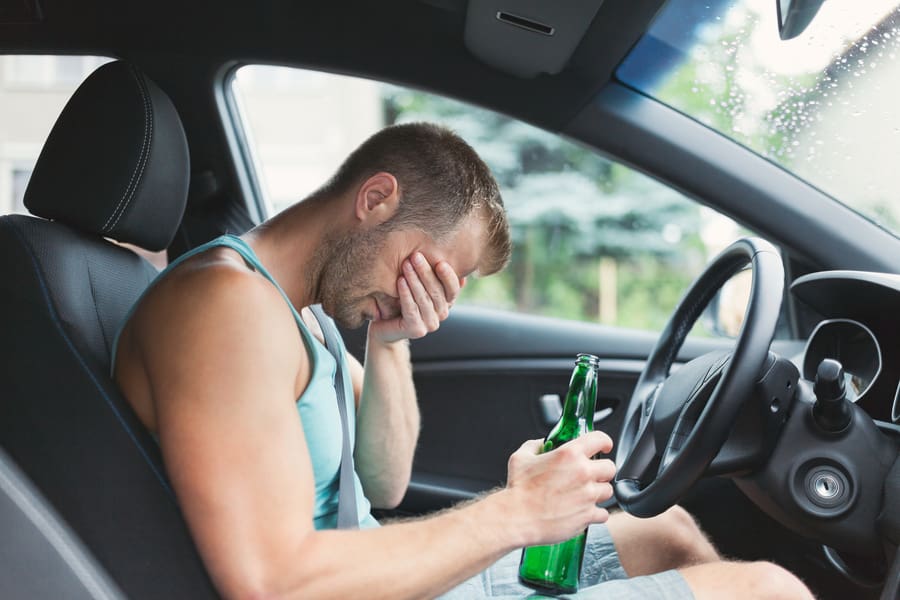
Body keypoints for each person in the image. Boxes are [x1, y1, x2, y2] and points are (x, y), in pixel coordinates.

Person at [112, 122, 813, 599]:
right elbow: (273, 581)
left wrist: (389, 342)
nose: (430, 295)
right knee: (768, 591)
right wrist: (518, 512)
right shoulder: (225, 308)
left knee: (666, 530)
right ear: (376, 199)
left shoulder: (298, 314)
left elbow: (382, 484)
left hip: (378, 580)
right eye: (429, 268)